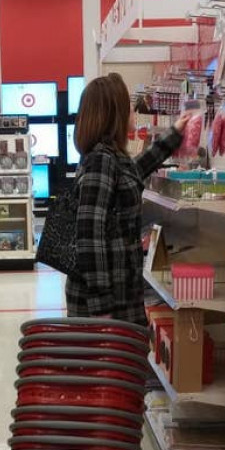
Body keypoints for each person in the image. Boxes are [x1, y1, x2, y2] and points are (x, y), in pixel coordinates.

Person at [66, 73, 191, 327]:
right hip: (107, 304)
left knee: (125, 363)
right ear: (115, 114)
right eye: (129, 108)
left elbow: (135, 170)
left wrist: (174, 133)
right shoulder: (101, 160)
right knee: (116, 365)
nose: (134, 113)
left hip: (119, 294)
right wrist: (102, 308)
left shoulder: (110, 158)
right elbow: (90, 235)